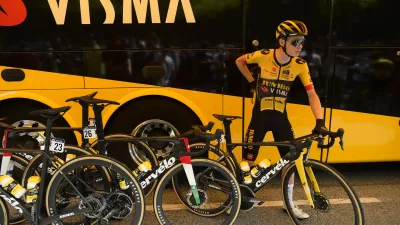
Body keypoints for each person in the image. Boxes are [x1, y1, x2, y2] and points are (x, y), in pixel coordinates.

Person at [235, 20, 328, 219]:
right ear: (281, 41)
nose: (300, 46)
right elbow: (239, 61)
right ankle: (238, 200)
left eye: (302, 42)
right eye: (295, 42)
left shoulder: (300, 66)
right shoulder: (263, 56)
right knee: (247, 162)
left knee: (291, 161)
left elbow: (312, 94)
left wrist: (320, 121)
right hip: (259, 118)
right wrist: (252, 82)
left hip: (281, 119)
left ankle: (289, 203)